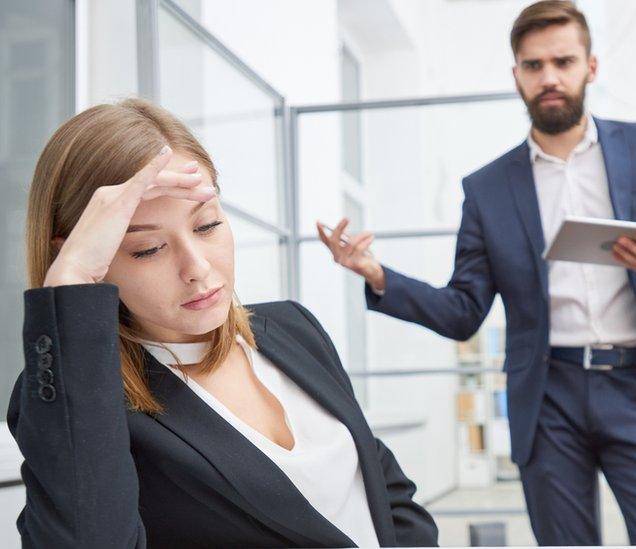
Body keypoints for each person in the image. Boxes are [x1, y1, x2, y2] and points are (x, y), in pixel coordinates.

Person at [320, 1, 636, 545]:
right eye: (533, 66)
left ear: (590, 67)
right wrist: (378, 274)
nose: (549, 77)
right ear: (517, 76)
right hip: (549, 397)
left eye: (563, 61)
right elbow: (462, 312)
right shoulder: (487, 190)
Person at [8, 98, 438, 548]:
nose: (197, 267)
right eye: (149, 248)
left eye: (207, 225)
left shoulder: (292, 328)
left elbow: (383, 488)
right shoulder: (84, 401)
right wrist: (71, 285)